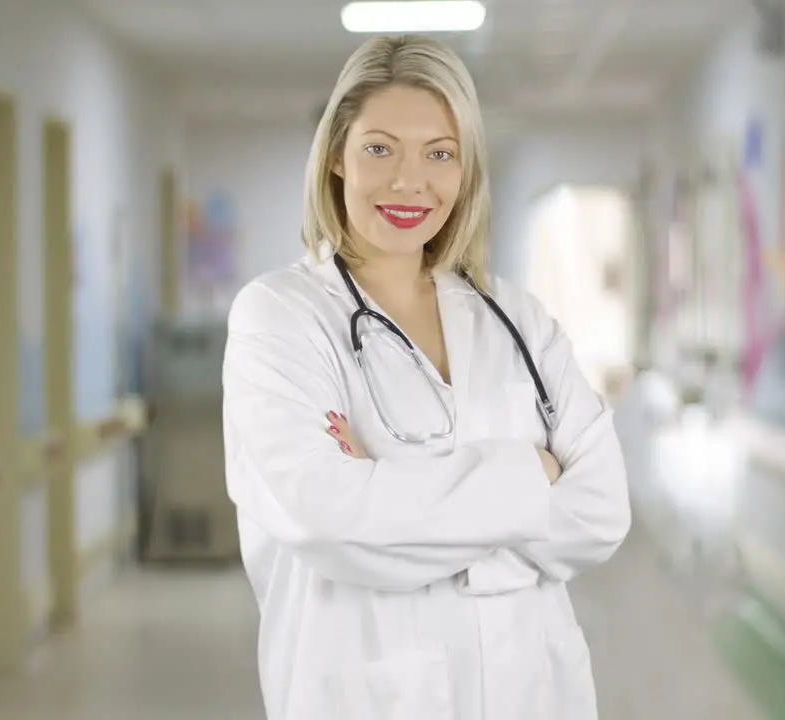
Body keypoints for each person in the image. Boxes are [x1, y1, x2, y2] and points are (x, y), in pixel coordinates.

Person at [221, 34, 631, 720]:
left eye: (440, 154)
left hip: (534, 692)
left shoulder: (516, 317)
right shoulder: (280, 318)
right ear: (335, 159)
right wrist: (530, 476)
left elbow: (602, 510)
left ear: (466, 169)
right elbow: (331, 522)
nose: (410, 181)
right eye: (380, 148)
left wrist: (401, 505)